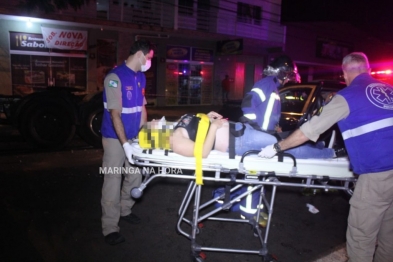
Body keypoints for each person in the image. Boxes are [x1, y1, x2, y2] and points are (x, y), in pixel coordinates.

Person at [258, 52, 393, 262]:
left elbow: (307, 131)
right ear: (368, 69)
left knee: (361, 238)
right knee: (390, 236)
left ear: (345, 72)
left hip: (378, 174)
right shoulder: (389, 90)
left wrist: (277, 147)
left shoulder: (348, 96)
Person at [100, 39, 154, 245]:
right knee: (112, 180)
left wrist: (144, 137)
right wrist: (125, 145)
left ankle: (125, 209)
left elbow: (142, 108)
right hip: (115, 139)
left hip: (133, 137)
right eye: (149, 57)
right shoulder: (115, 77)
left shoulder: (141, 77)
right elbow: (115, 115)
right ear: (140, 54)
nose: (150, 61)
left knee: (135, 177)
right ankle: (110, 227)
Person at [145, 112, 338, 159]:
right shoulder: (175, 141)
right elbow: (202, 152)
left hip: (240, 129)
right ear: (154, 135)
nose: (153, 121)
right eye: (150, 125)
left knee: (283, 141)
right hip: (238, 141)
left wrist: (208, 115)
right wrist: (214, 127)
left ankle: (318, 147)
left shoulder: (176, 126)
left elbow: (198, 124)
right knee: (286, 146)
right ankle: (329, 154)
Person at [241, 55, 300, 132]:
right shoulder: (267, 84)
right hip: (260, 133)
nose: (288, 80)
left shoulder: (274, 87)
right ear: (283, 74)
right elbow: (248, 102)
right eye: (289, 75)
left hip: (267, 132)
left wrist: (276, 127)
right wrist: (253, 125)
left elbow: (271, 112)